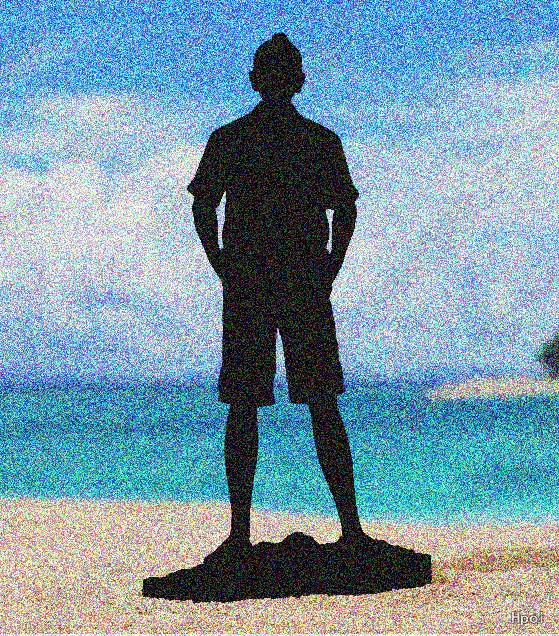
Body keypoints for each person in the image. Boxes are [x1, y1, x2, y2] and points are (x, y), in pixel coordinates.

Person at [187, 33, 370, 566]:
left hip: (268, 281)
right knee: (299, 403)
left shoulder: (242, 139)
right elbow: (344, 210)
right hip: (287, 281)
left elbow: (204, 206)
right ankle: (338, 529)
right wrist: (328, 266)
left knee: (277, 403)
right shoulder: (310, 141)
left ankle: (251, 534)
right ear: (297, 81)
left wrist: (222, 262)